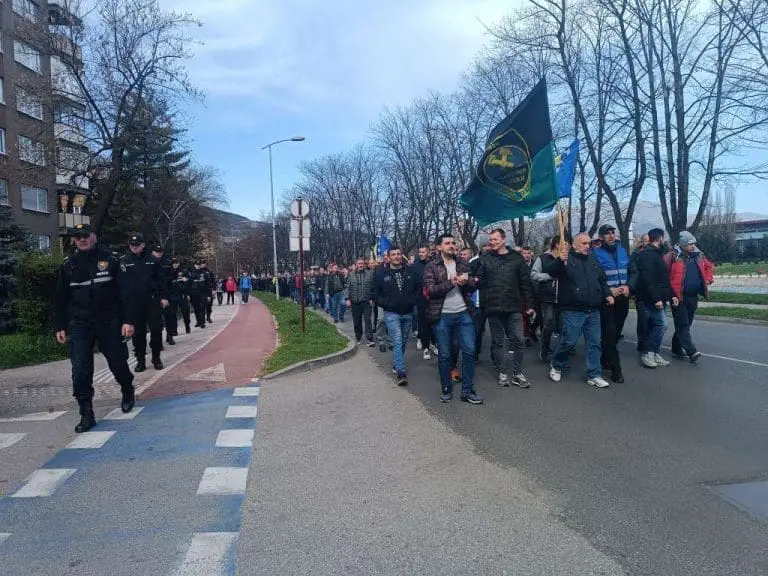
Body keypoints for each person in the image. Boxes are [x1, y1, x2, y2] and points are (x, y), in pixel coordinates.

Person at [54, 224, 137, 433]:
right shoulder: (69, 265)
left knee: (118, 363)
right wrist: (60, 325)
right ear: (74, 240)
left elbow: (125, 293)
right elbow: (60, 298)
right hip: (81, 323)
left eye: (85, 236)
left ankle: (127, 389)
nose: (82, 239)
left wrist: (128, 321)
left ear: (94, 237)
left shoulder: (111, 260)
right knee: (80, 369)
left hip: (109, 321)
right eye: (78, 237)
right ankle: (86, 413)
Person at [545, 233, 613, 389]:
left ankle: (594, 374)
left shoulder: (593, 259)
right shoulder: (566, 259)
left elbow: (601, 280)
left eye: (588, 243)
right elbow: (551, 272)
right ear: (574, 245)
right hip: (573, 310)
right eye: (583, 243)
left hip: (593, 309)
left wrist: (607, 294)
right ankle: (557, 364)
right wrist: (559, 260)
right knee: (569, 341)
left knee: (595, 343)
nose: (587, 246)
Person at [423, 233, 481, 404]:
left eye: (453, 243)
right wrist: (453, 282)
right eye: (447, 243)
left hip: (464, 313)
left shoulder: (463, 263)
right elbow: (431, 291)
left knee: (469, 351)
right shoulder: (431, 266)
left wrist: (467, 281)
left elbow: (474, 285)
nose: (451, 245)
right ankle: (446, 388)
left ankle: (467, 390)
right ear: (439, 247)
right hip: (442, 315)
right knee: (445, 354)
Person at [475, 228, 535, 388]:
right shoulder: (485, 259)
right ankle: (502, 372)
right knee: (498, 341)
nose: (492, 242)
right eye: (491, 240)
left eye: (495, 239)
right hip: (493, 307)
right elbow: (479, 280)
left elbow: (525, 283)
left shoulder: (517, 259)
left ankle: (517, 373)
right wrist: (473, 279)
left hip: (514, 307)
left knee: (519, 340)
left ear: (503, 239)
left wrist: (529, 304)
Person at [121, 232, 168, 372]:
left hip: (151, 301)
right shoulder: (124, 261)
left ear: (143, 245)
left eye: (137, 245)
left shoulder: (152, 260)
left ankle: (156, 356)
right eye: (132, 245)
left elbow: (161, 280)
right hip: (134, 303)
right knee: (138, 334)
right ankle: (140, 360)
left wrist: (164, 297)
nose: (134, 247)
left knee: (156, 329)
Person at [664, 231, 713, 363]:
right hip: (677, 296)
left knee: (686, 323)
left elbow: (709, 267)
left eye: (693, 244)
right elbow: (663, 275)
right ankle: (692, 351)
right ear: (683, 244)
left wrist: (708, 279)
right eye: (690, 244)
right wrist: (670, 294)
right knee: (683, 323)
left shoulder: (698, 255)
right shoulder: (672, 256)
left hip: (692, 296)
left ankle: (676, 347)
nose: (693, 246)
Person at [374, 246, 418, 385]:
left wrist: (413, 301)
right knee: (397, 340)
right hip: (391, 312)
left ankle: (396, 363)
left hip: (408, 311)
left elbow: (418, 288)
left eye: (399, 254)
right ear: (389, 257)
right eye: (393, 254)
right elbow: (375, 293)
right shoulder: (381, 273)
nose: (397, 256)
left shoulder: (410, 272)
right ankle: (401, 372)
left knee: (403, 339)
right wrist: (385, 304)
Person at [592, 224, 630, 383]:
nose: (611, 236)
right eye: (607, 234)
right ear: (601, 237)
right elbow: (595, 278)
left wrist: (629, 286)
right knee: (609, 333)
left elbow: (633, 271)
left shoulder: (623, 251)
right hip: (607, 299)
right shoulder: (595, 254)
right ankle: (616, 370)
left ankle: (604, 358)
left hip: (623, 298)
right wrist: (608, 291)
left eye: (612, 232)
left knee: (616, 333)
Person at [635, 228, 673, 369]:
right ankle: (649, 353)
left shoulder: (656, 254)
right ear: (659, 238)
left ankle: (655, 352)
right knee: (661, 325)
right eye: (664, 238)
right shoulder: (648, 255)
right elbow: (648, 279)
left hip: (659, 297)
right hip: (650, 298)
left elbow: (662, 278)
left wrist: (671, 296)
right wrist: (656, 298)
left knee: (659, 325)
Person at [531, 235, 561, 363]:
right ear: (557, 244)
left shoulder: (568, 258)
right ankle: (545, 348)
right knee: (548, 323)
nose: (568, 246)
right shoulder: (542, 258)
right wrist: (548, 276)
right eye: (564, 243)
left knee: (563, 326)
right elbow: (533, 274)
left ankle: (560, 354)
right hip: (547, 296)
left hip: (563, 297)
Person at [346, 257, 376, 346]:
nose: (361, 265)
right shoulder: (351, 275)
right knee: (357, 321)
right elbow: (347, 287)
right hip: (355, 301)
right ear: (356, 264)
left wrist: (372, 299)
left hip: (366, 301)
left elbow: (373, 288)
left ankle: (370, 338)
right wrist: (347, 299)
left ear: (364, 264)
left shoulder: (369, 274)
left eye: (362, 263)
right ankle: (358, 337)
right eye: (359, 264)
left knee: (368, 320)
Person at [410, 244, 433, 359]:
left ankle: (433, 343)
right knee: (423, 323)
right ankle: (426, 348)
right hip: (421, 299)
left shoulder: (434, 264)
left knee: (433, 323)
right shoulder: (415, 266)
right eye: (420, 252)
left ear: (428, 252)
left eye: (424, 252)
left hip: (434, 298)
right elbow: (412, 284)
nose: (421, 254)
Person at [628, 234, 650, 352]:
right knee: (643, 320)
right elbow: (633, 272)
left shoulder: (656, 254)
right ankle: (643, 343)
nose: (649, 243)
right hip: (640, 291)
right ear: (641, 243)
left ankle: (649, 343)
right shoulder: (636, 255)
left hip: (653, 292)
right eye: (646, 241)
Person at [151, 245, 176, 346]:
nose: (159, 253)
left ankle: (169, 336)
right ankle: (157, 341)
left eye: (160, 252)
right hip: (154, 294)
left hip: (167, 293)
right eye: (157, 252)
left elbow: (172, 275)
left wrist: (165, 280)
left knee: (169, 316)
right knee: (156, 320)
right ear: (152, 252)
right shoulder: (149, 262)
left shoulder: (167, 262)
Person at [168, 258, 192, 336]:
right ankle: (174, 330)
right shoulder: (169, 271)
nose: (175, 264)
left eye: (177, 263)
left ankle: (187, 325)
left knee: (185, 312)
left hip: (182, 294)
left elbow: (190, 281)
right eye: (174, 263)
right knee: (173, 313)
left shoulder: (183, 271)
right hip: (173, 295)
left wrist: (187, 280)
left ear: (179, 263)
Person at [191, 261, 212, 328]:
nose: (198, 266)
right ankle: (198, 321)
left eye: (199, 265)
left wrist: (209, 295)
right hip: (194, 293)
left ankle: (202, 322)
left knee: (202, 308)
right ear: (194, 265)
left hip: (203, 293)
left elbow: (208, 285)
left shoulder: (205, 273)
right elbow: (188, 284)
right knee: (196, 308)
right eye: (197, 265)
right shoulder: (191, 273)